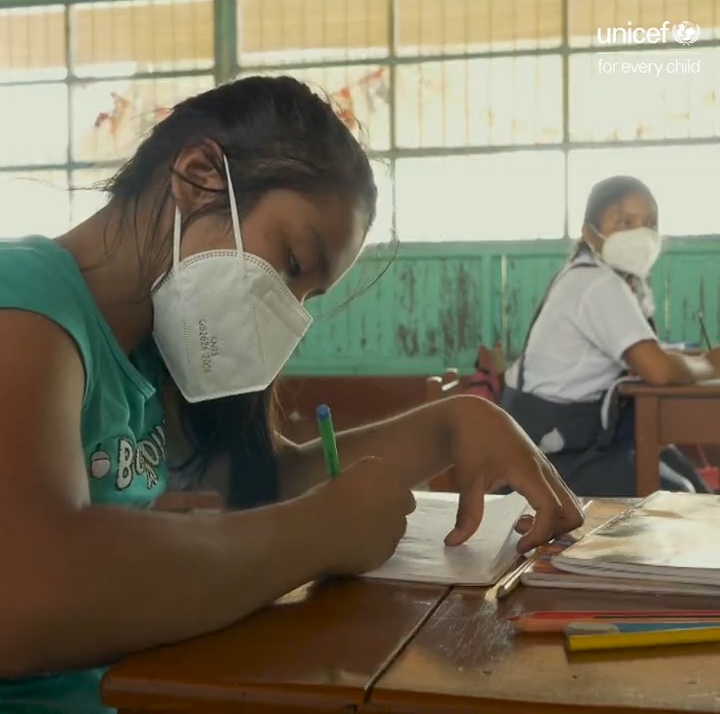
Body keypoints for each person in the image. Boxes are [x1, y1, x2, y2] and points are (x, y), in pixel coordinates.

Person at [0, 76, 584, 714]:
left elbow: (257, 486)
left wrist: (451, 426)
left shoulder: (153, 346)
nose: (286, 309)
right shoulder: (22, 302)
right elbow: (23, 593)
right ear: (198, 176)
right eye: (293, 263)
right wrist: (320, 533)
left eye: (306, 296)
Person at [502, 175, 720, 497]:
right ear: (589, 232)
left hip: (573, 436)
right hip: (548, 455)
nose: (640, 234)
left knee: (685, 474)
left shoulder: (602, 277)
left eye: (649, 223)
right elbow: (658, 370)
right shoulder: (596, 284)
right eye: (624, 222)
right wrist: (710, 364)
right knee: (679, 496)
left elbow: (649, 355)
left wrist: (696, 361)